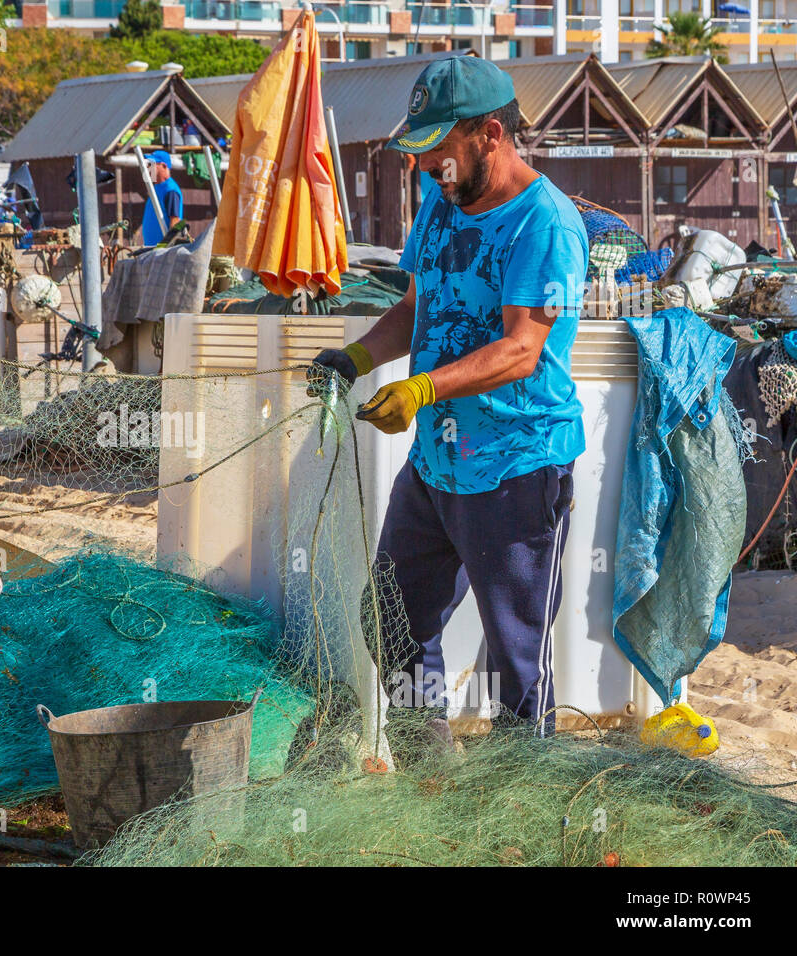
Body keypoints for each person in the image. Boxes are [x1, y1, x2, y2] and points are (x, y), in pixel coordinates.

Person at [309, 56, 589, 743]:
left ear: (491, 133)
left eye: (441, 146)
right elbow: (417, 307)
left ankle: (525, 810)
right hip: (437, 464)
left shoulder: (545, 224)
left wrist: (424, 387)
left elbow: (523, 348)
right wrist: (356, 359)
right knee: (392, 617)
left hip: (518, 466)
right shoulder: (441, 201)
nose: (429, 162)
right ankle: (431, 775)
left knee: (517, 664)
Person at [141, 149, 183, 246]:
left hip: (160, 251)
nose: (148, 167)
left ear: (164, 166)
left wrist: (164, 249)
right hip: (151, 248)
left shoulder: (170, 189)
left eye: (152, 164)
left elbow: (175, 221)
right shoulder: (156, 187)